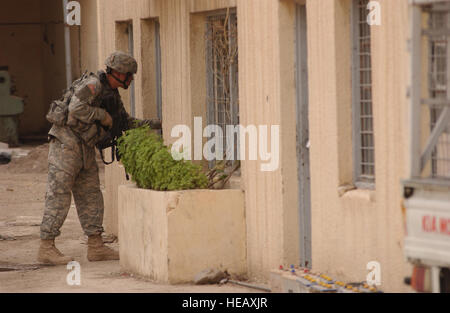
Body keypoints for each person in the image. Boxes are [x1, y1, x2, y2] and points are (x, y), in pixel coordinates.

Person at [38, 51, 161, 265]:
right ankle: (46, 247)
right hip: (66, 144)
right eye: (129, 75)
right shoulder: (94, 85)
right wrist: (101, 116)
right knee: (59, 193)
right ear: (118, 73)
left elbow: (123, 122)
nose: (131, 79)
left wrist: (156, 124)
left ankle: (96, 246)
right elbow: (76, 108)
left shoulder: (111, 95)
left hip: (85, 146)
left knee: (91, 195)